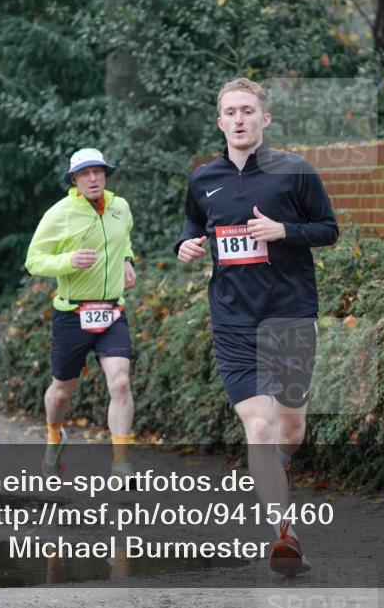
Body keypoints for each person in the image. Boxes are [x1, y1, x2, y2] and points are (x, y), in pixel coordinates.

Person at [175, 79, 339, 576]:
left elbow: (328, 229)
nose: (240, 118)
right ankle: (283, 535)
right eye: (231, 111)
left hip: (289, 314)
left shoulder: (295, 171)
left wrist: (284, 231)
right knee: (260, 426)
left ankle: (283, 465)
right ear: (220, 121)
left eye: (249, 110)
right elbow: (192, 225)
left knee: (290, 426)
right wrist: (186, 245)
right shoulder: (204, 179)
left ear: (264, 119)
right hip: (233, 321)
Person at [25, 148, 137, 480]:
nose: (93, 178)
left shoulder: (120, 207)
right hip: (72, 314)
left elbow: (124, 238)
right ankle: (53, 436)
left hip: (112, 311)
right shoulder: (60, 214)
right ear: (74, 179)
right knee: (62, 389)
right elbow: (34, 260)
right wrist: (67, 262)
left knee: (120, 381)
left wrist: (128, 260)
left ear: (105, 175)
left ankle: (120, 462)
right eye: (85, 174)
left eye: (98, 172)